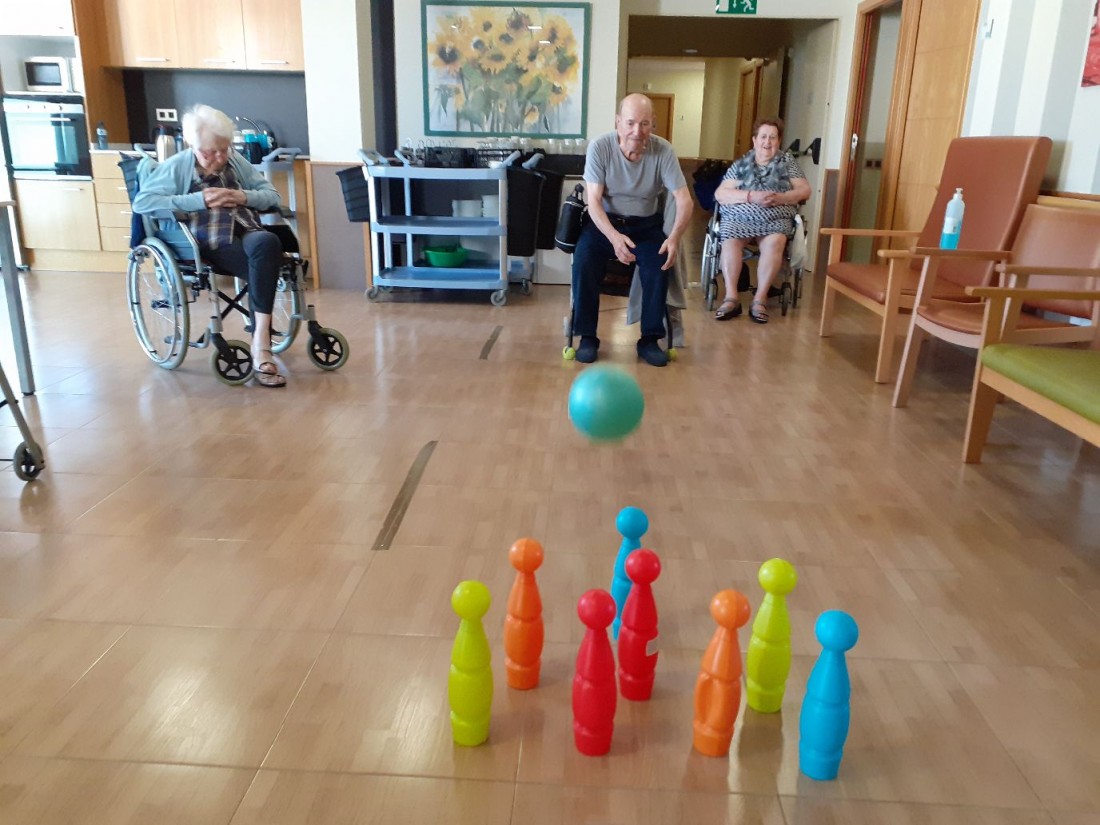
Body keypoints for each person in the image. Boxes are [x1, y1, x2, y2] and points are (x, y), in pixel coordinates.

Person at [133, 104, 287, 387]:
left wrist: (242, 196)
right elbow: (143, 202)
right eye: (210, 152)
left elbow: (272, 195)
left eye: (224, 149)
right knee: (264, 267)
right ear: (193, 145)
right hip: (206, 240)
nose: (220, 157)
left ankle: (260, 340)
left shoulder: (236, 161)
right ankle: (262, 346)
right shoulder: (177, 166)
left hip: (245, 227)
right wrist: (199, 200)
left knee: (268, 241)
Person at [572, 93, 694, 367]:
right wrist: (614, 238)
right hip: (605, 224)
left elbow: (685, 200)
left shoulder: (664, 151)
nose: (637, 132)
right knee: (584, 259)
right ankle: (587, 336)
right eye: (630, 123)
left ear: (653, 124)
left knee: (659, 262)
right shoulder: (600, 147)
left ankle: (649, 339)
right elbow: (593, 201)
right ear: (618, 122)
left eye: (644, 124)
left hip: (645, 225)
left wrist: (674, 238)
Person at [712, 118, 811, 324]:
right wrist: (751, 196)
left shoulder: (787, 163)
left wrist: (781, 197)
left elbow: (804, 190)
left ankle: (760, 299)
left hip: (775, 218)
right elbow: (721, 193)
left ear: (779, 141)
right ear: (755, 140)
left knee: (775, 242)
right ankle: (731, 298)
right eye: (763, 137)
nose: (767, 142)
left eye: (772, 138)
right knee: (729, 240)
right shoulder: (742, 164)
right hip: (739, 218)